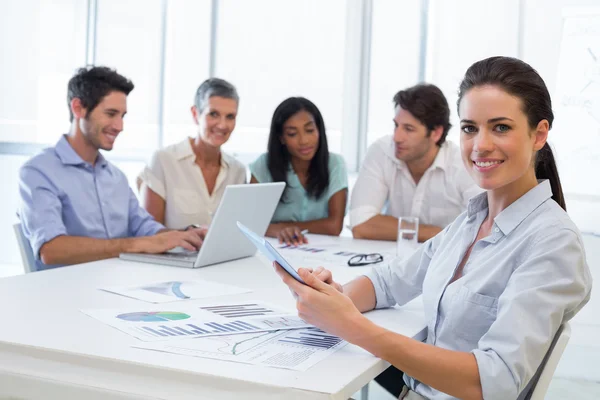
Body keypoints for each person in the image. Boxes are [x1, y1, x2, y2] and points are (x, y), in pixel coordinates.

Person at [274, 57, 592, 400]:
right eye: (470, 128)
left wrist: (350, 326)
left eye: (500, 127)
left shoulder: (553, 242)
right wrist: (331, 300)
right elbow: (388, 282)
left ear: (538, 134)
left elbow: (493, 381)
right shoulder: (471, 220)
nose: (480, 145)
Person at [18, 66, 206, 272]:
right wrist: (134, 245)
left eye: (122, 116)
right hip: (68, 293)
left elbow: (145, 228)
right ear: (78, 108)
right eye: (111, 114)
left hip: (119, 285)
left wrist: (184, 235)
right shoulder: (38, 172)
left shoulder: (116, 177)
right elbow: (51, 249)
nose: (119, 126)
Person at [350, 84, 481, 243]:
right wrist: (442, 234)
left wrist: (392, 228)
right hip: (393, 259)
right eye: (396, 125)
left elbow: (480, 230)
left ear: (436, 133)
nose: (396, 137)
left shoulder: (464, 164)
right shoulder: (382, 151)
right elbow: (361, 224)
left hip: (447, 262)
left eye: (409, 129)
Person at [138, 78, 246, 229]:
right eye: (213, 114)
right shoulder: (163, 160)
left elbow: (238, 231)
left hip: (223, 253)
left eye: (230, 117)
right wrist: (185, 236)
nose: (222, 125)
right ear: (195, 114)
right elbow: (148, 233)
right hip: (174, 253)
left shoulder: (238, 171)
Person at [250, 97, 348, 245]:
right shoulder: (263, 165)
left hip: (323, 252)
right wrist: (277, 231)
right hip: (275, 249)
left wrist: (286, 227)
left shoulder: (335, 164)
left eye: (309, 130)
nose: (304, 141)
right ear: (281, 138)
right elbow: (250, 223)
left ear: (319, 130)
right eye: (292, 134)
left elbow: (334, 226)